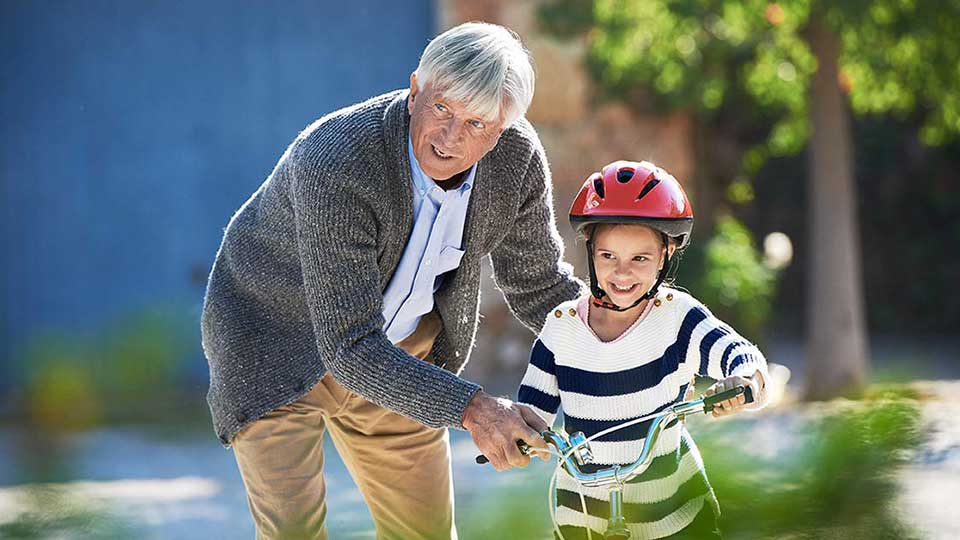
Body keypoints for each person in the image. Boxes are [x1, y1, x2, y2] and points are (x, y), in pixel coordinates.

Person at [200, 22, 584, 539]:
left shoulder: (514, 158)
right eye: (442, 109)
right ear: (414, 90)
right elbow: (349, 346)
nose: (450, 138)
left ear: (500, 131)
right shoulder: (337, 159)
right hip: (275, 338)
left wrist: (637, 337)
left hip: (397, 358)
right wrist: (474, 409)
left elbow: (539, 285)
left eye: (476, 124)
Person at [517, 160, 769, 539]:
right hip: (582, 517)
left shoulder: (675, 319)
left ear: (665, 255)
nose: (622, 273)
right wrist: (519, 437)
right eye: (608, 257)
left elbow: (738, 353)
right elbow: (531, 415)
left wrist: (745, 381)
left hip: (673, 516)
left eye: (640, 259)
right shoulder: (562, 327)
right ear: (590, 250)